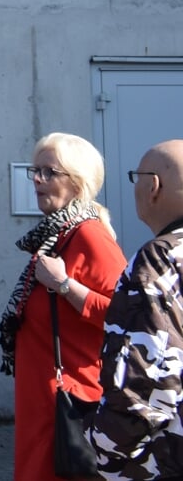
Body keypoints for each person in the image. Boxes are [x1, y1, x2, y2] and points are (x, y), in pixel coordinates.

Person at [0, 131, 128, 481]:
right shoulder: (56, 236)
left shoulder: (89, 235)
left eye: (49, 172)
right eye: (35, 171)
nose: (37, 180)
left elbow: (124, 315)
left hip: (70, 399)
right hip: (44, 402)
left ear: (77, 181)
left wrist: (64, 285)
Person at [90, 139, 183, 480]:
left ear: (153, 187)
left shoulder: (159, 258)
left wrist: (106, 445)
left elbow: (146, 370)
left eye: (136, 177)